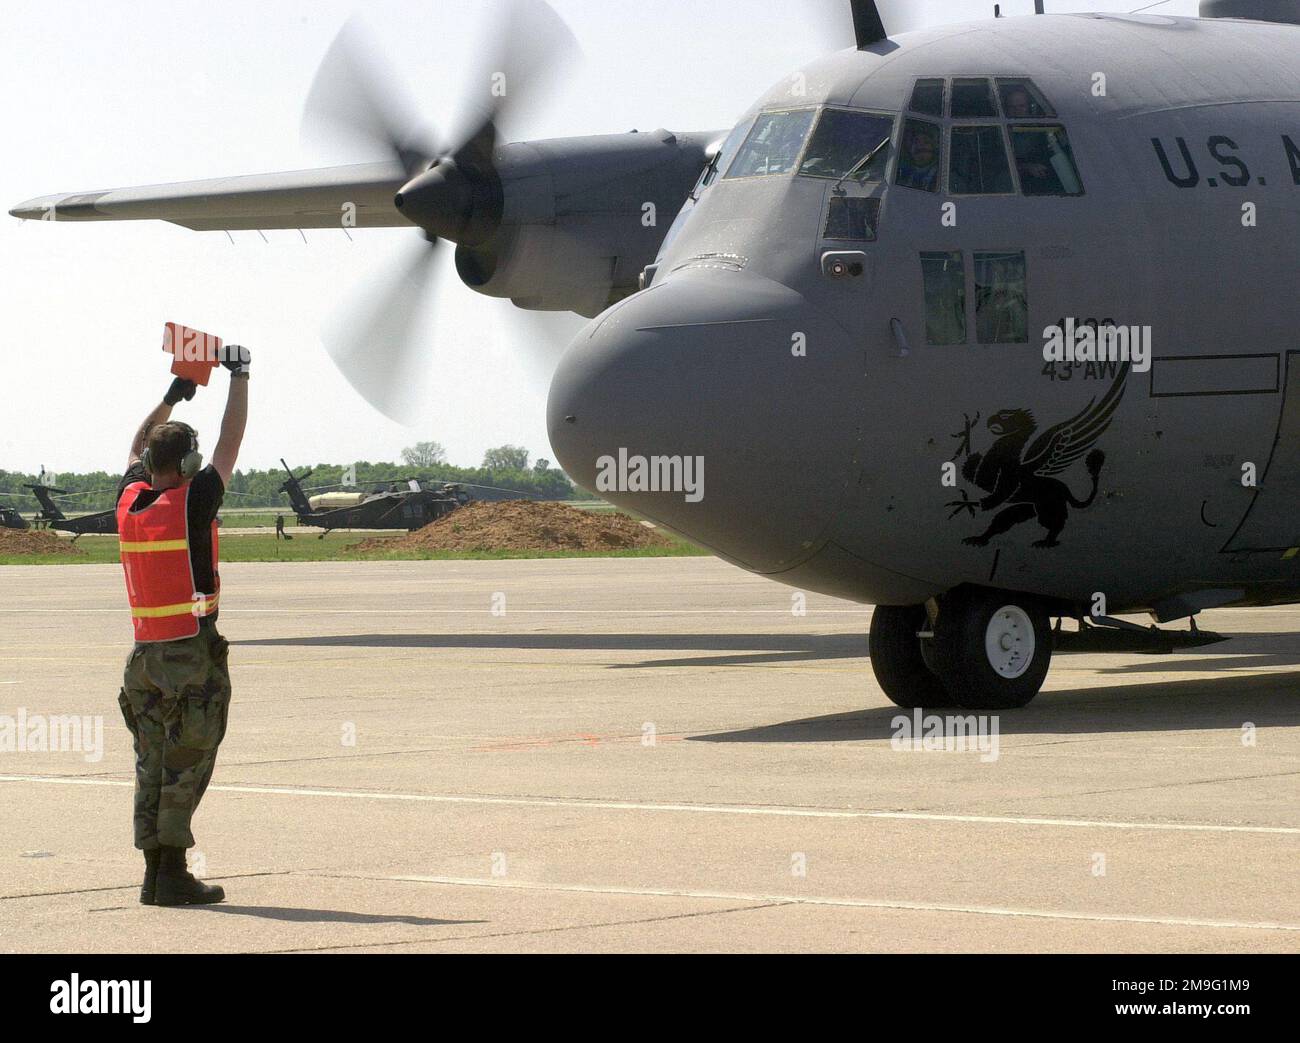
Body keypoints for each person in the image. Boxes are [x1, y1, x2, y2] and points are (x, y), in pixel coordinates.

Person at [115, 343, 250, 906]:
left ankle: (155, 874)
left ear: (148, 465)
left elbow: (136, 444)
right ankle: (171, 875)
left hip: (144, 661)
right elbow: (231, 440)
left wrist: (172, 396)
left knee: (153, 763)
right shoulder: (193, 500)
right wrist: (240, 375)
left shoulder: (130, 501)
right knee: (188, 761)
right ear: (189, 465)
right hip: (190, 655)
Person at [896, 122, 941, 192]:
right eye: (916, 142)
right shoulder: (901, 175)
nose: (920, 147)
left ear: (934, 147)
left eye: (926, 142)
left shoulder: (945, 178)